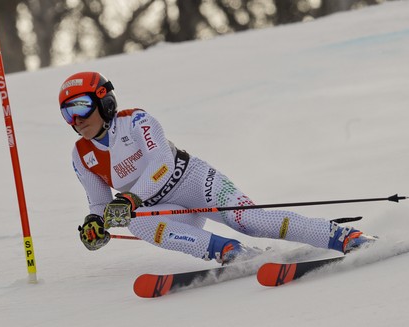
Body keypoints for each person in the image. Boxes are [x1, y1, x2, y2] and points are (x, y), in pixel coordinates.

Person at [59, 71, 374, 265]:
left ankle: (343, 237)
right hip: (160, 206)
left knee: (249, 220)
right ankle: (230, 253)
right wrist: (95, 225)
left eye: (80, 107)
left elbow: (162, 165)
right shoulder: (80, 155)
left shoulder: (137, 120)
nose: (76, 120)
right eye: (67, 113)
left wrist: (128, 200)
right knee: (137, 223)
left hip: (193, 181)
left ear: (104, 101)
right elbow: (100, 203)